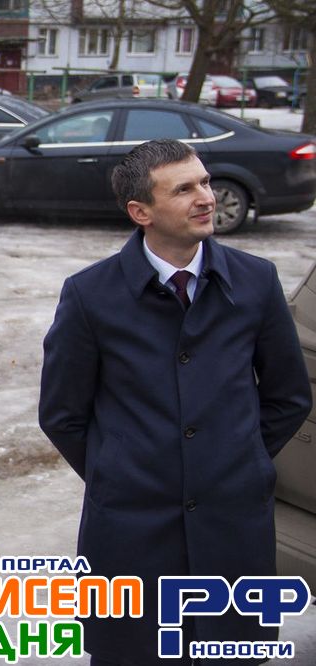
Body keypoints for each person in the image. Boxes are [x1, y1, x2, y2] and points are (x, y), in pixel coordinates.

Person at [38, 139, 311, 664]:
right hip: (131, 534)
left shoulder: (255, 281)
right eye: (183, 189)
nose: (206, 197)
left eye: (204, 182)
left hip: (233, 529)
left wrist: (238, 459)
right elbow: (62, 413)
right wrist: (120, 470)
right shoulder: (91, 295)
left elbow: (289, 396)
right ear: (141, 212)